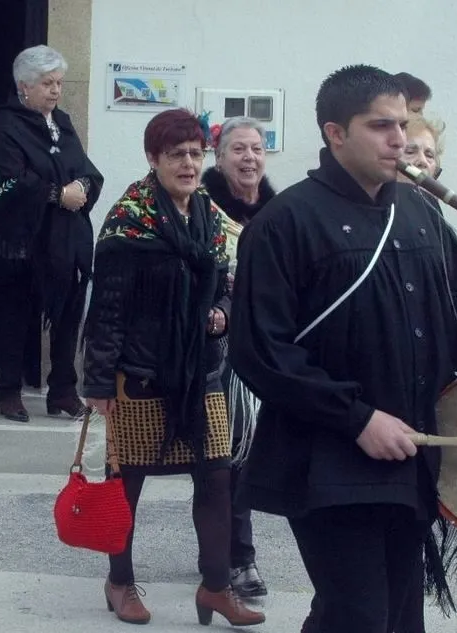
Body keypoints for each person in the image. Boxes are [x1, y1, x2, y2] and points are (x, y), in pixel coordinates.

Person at [227, 64, 457, 633]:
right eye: (380, 126)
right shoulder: (283, 222)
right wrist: (357, 418)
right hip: (327, 457)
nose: (399, 139)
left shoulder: (422, 213)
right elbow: (261, 352)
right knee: (360, 615)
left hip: (412, 452)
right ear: (335, 133)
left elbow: (456, 336)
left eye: (402, 124)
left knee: (395, 617)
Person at [83, 108, 266, 627]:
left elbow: (227, 284)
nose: (188, 164)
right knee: (126, 485)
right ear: (152, 158)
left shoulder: (208, 213)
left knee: (216, 479)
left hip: (201, 374)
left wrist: (221, 314)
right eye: (175, 155)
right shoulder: (128, 220)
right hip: (139, 375)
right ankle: (120, 582)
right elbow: (108, 309)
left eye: (195, 153)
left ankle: (215, 588)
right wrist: (98, 382)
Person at [0, 45, 104, 422]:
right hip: (20, 242)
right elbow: (11, 179)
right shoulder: (6, 125)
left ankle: (62, 390)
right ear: (24, 87)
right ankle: (9, 391)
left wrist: (81, 186)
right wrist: (57, 194)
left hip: (65, 241)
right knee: (14, 317)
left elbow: (85, 168)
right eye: (48, 83)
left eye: (59, 83)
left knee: (66, 317)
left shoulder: (61, 122)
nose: (56, 90)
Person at [200, 115, 277, 599]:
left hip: (267, 348)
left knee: (245, 456)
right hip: (216, 351)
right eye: (239, 149)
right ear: (220, 156)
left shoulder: (278, 212)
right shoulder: (203, 209)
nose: (249, 158)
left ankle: (221, 550)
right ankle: (237, 557)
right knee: (227, 454)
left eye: (257, 149)